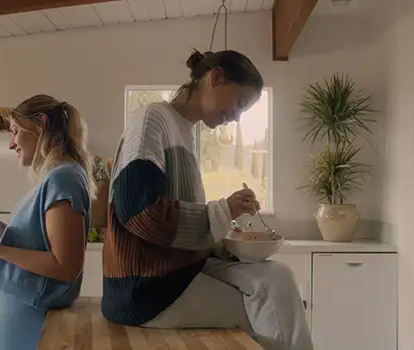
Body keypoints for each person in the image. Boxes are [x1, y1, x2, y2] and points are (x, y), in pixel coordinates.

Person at [102, 50, 315, 350]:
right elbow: (140, 212)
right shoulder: (152, 119)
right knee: (273, 308)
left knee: (280, 277)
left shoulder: (183, 131)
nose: (237, 116)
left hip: (176, 274)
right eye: (239, 102)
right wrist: (223, 210)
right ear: (215, 77)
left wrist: (222, 237)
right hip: (146, 290)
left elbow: (176, 223)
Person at [0, 94, 94, 350]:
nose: (11, 144)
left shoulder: (63, 179)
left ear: (40, 125)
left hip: (22, 317)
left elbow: (66, 266)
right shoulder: (56, 178)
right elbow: (37, 244)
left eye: (15, 131)